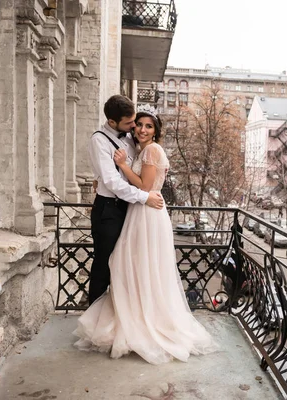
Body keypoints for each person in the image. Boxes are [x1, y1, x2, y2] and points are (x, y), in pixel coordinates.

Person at [74, 108, 218, 363]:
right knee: (133, 265)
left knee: (138, 265)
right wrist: (104, 177)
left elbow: (145, 186)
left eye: (148, 126)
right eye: (138, 124)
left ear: (156, 131)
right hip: (139, 211)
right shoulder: (141, 148)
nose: (141, 129)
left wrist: (121, 166)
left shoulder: (152, 150)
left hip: (147, 212)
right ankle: (135, 313)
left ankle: (144, 318)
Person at [87, 95, 164, 305]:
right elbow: (112, 181)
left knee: (127, 263)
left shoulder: (132, 137)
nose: (135, 127)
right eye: (131, 123)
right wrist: (144, 197)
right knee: (105, 263)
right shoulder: (99, 140)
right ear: (112, 122)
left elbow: (142, 167)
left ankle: (123, 310)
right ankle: (94, 313)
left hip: (131, 209)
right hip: (109, 210)